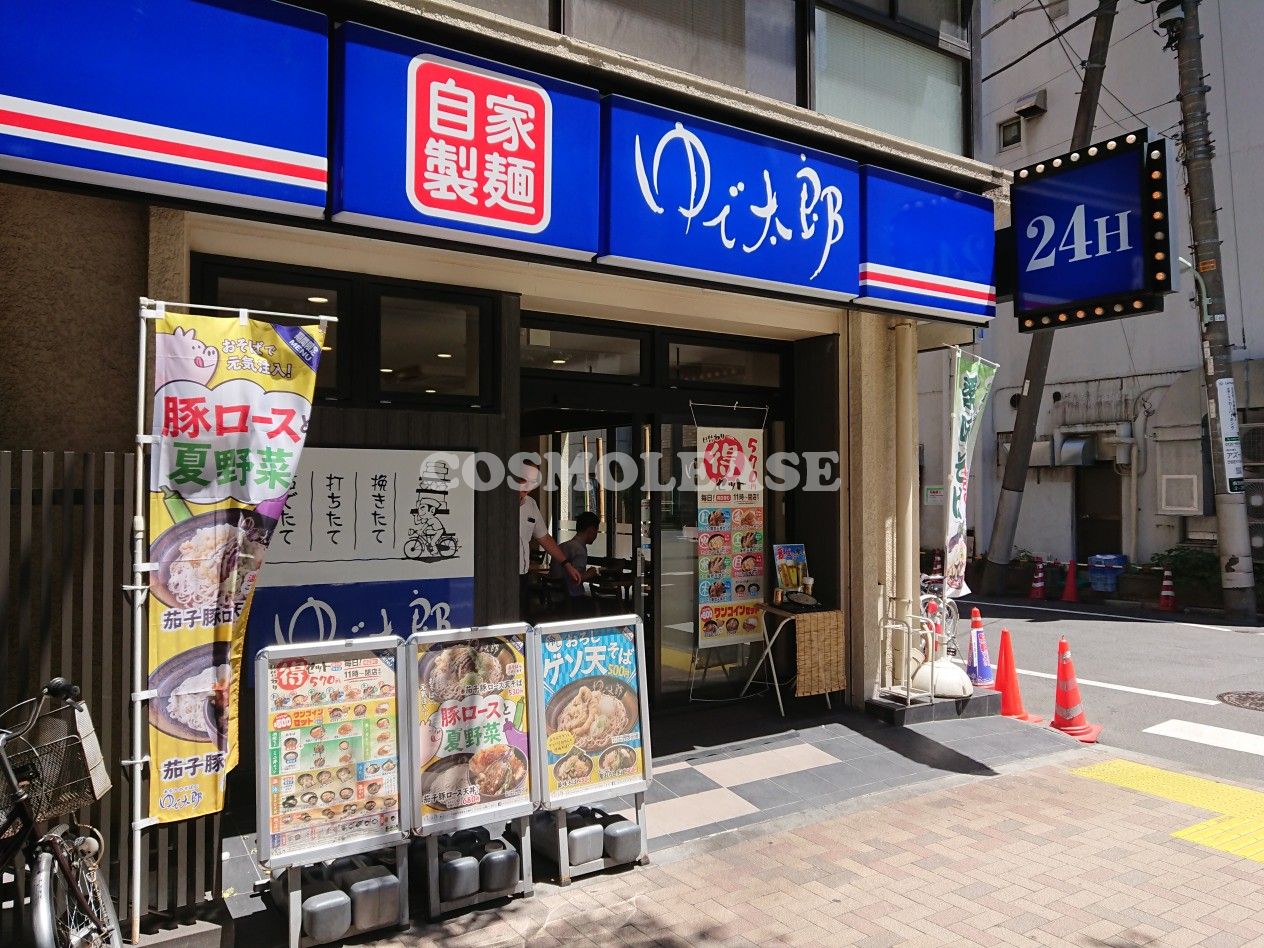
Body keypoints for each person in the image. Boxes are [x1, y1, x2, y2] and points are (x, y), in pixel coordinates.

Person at [518, 462, 582, 617]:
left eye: (533, 481)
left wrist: (567, 565)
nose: (528, 485)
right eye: (523, 479)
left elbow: (544, 537)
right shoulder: (496, 502)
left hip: (522, 574)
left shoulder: (531, 504)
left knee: (522, 618)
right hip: (497, 575)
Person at [550, 511, 601, 609]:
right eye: (596, 531)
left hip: (555, 598)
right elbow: (576, 579)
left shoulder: (561, 547)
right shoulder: (579, 550)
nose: (596, 535)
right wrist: (591, 573)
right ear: (590, 530)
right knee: (600, 604)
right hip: (571, 600)